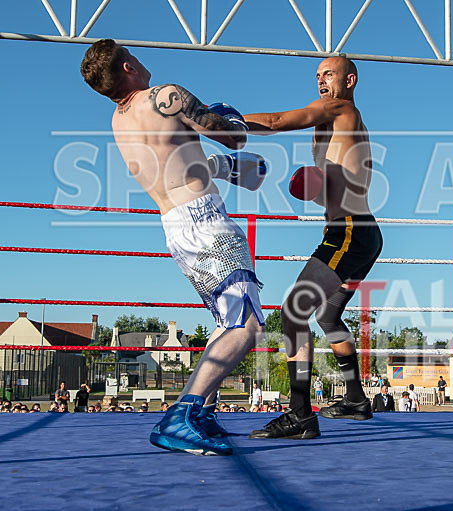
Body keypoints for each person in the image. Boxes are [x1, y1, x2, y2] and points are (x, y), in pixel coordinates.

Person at [80, 39, 268, 456]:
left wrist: (222, 168)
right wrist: (227, 118)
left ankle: (201, 413)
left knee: (226, 320)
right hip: (206, 224)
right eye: (135, 55)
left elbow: (175, 163)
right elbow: (234, 136)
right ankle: (181, 415)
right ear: (128, 66)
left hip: (175, 228)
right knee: (247, 325)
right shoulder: (167, 96)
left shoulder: (119, 120)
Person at [245, 56, 382, 440]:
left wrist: (220, 122)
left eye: (329, 74)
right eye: (318, 76)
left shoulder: (342, 109)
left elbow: (274, 122)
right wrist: (317, 187)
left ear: (349, 80)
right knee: (328, 318)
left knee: (293, 312)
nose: (322, 81)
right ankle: (355, 399)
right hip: (360, 232)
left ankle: (301, 414)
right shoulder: (332, 125)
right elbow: (341, 183)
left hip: (349, 233)